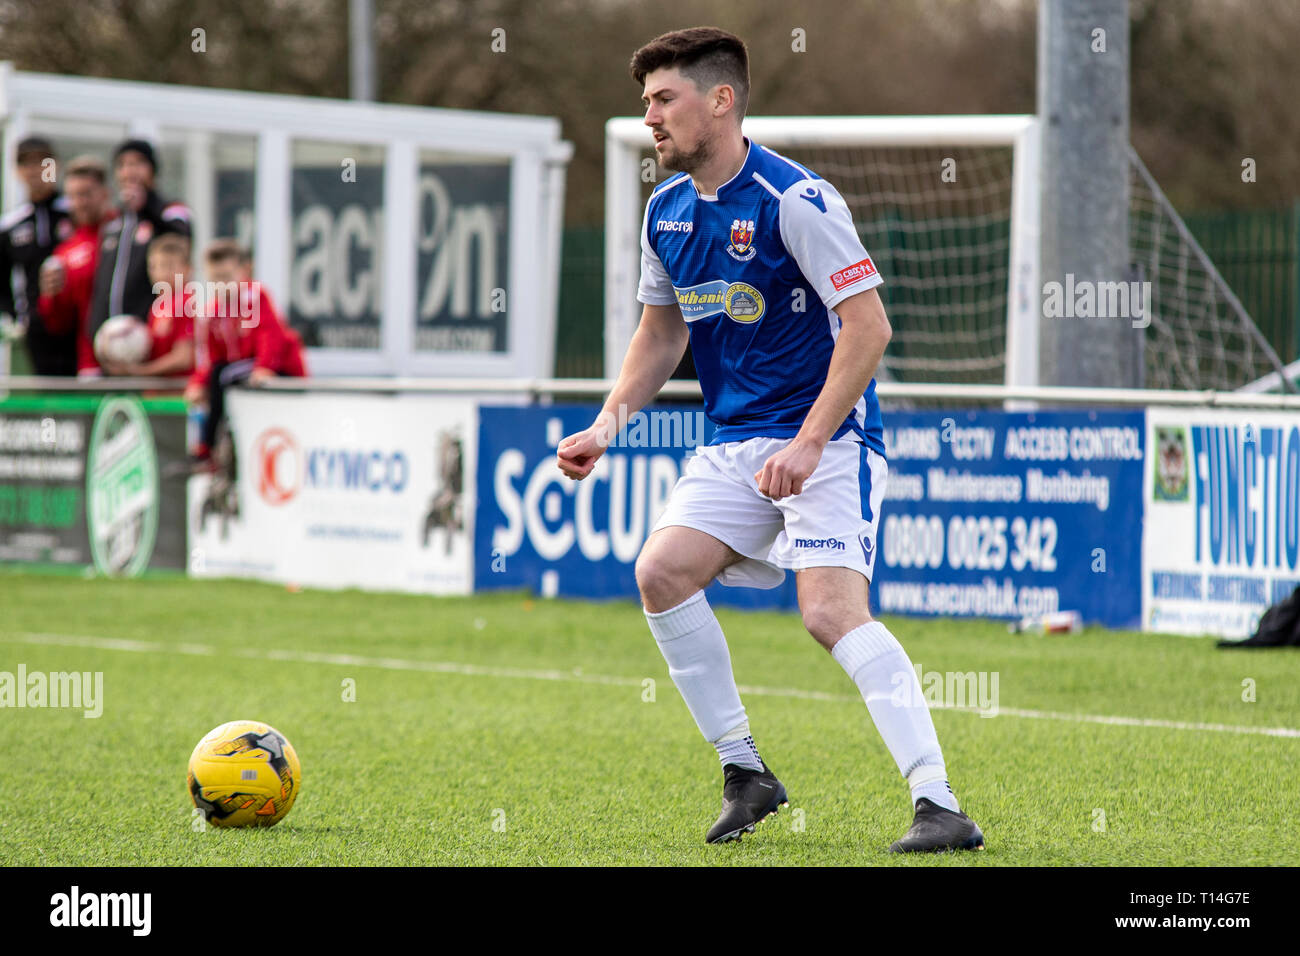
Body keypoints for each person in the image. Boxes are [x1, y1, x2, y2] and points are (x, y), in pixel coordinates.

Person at [556, 27, 985, 853]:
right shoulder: (665, 210)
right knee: (662, 571)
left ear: (721, 100)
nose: (650, 117)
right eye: (646, 102)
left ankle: (939, 804)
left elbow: (868, 328)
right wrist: (607, 424)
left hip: (830, 438)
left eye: (663, 99)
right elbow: (660, 334)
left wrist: (813, 442)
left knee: (828, 613)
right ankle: (745, 771)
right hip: (731, 443)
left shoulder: (797, 199)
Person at [185, 239, 306, 461]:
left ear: (244, 271)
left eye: (227, 277)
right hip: (242, 371)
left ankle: (209, 444)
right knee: (216, 378)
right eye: (215, 280)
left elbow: (270, 336)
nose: (222, 285)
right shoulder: (211, 312)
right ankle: (214, 444)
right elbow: (209, 358)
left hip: (279, 368)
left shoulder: (255, 297)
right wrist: (197, 383)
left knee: (223, 375)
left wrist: (264, 368)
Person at [86, 139, 192, 343]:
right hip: (109, 338)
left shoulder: (171, 212)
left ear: (152, 170)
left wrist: (146, 209)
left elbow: (180, 242)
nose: (130, 171)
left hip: (151, 336)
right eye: (123, 165)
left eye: (137, 163)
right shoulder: (114, 222)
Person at [0, 135, 75, 374]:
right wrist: (15, 318)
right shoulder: (11, 225)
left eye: (43, 163)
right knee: (42, 403)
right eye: (26, 164)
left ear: (55, 166)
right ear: (18, 172)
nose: (35, 171)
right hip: (35, 331)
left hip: (76, 328)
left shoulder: (76, 214)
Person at [35, 155, 116, 376]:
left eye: (86, 194)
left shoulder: (127, 234)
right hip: (91, 365)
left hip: (138, 361)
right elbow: (58, 323)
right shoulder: (66, 252)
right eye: (73, 196)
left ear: (105, 193)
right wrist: (49, 296)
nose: (80, 203)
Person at [100, 233, 196, 378]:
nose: (160, 273)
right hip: (157, 394)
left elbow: (184, 358)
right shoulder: (158, 306)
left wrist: (138, 371)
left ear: (188, 269)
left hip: (178, 394)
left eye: (167, 266)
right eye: (153, 266)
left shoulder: (188, 302)